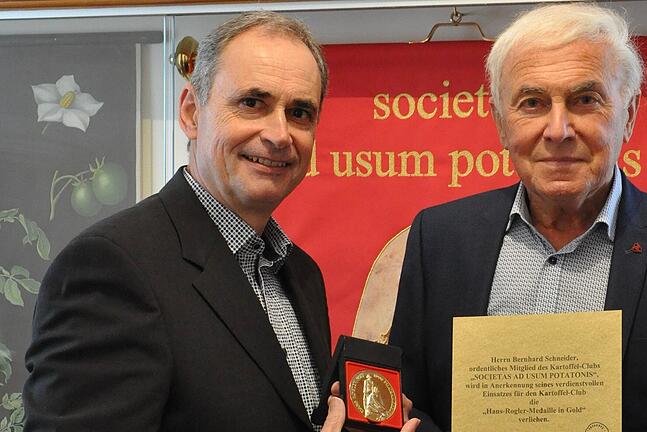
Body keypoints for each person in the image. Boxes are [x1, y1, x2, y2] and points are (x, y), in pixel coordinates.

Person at [23, 11, 419, 432]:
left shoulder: (301, 274)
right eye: (252, 103)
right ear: (192, 113)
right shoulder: (112, 267)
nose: (280, 134)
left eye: (300, 113)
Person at [389, 3, 647, 431]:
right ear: (500, 122)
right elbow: (408, 407)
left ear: (630, 115)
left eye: (586, 100)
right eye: (533, 102)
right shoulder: (439, 240)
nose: (558, 129)